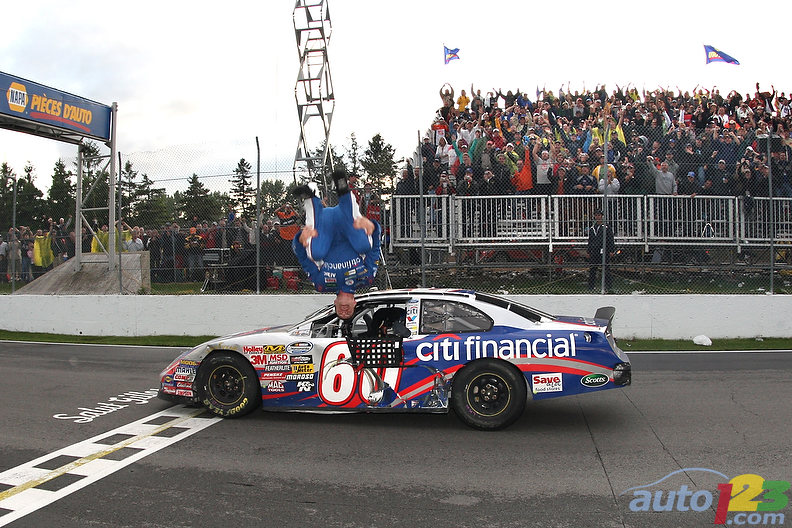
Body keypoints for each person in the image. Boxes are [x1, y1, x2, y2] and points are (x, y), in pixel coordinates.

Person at [292, 170, 381, 321]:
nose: (344, 312)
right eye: (349, 313)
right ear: (355, 303)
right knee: (364, 246)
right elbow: (375, 251)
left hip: (323, 226)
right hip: (347, 223)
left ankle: (310, 196)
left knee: (315, 253)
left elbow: (304, 261)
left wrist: (300, 240)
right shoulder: (366, 279)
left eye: (340, 314)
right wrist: (373, 227)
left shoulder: (321, 285)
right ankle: (343, 188)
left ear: (334, 304)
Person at [587, 209, 616, 292]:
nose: (598, 217)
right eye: (596, 215)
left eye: (599, 215)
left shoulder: (606, 227)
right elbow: (590, 240)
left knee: (606, 269)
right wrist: (589, 250)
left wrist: (611, 250)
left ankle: (608, 287)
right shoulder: (592, 228)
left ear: (602, 216)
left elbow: (610, 239)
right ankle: (591, 287)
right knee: (592, 269)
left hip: (604, 251)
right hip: (594, 251)